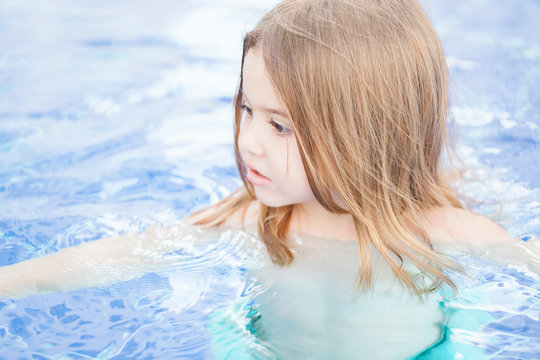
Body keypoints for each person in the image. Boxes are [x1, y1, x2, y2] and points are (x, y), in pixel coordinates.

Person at [0, 0, 515, 358]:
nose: (249, 140)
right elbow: (121, 256)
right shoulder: (254, 221)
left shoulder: (444, 236)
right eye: (247, 108)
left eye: (281, 125)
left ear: (368, 133)